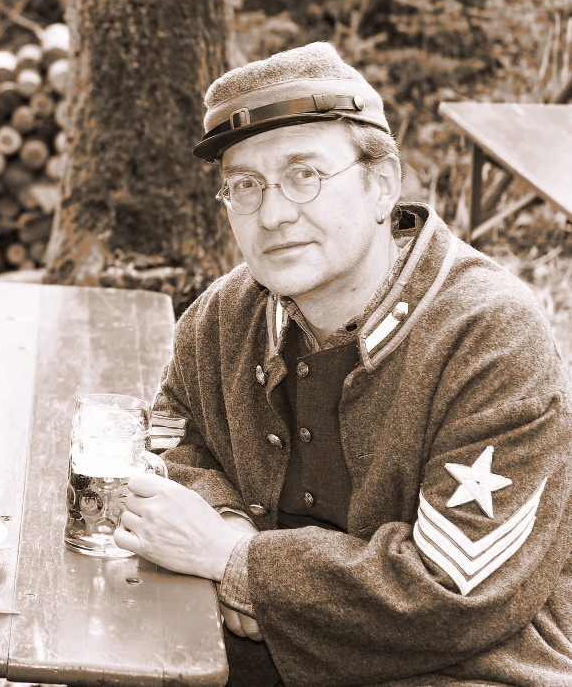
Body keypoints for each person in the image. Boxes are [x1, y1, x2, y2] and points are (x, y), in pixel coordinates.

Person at [110, 42, 572, 685]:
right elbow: (173, 431)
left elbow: (454, 594)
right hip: (247, 657)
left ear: (380, 185)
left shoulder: (489, 335)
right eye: (245, 186)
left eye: (304, 175)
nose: (274, 215)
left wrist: (240, 564)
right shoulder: (227, 313)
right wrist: (223, 522)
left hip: (466, 669)